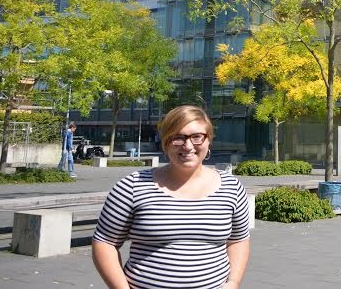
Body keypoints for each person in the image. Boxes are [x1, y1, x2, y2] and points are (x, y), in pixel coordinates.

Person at [92, 105, 251, 289]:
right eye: (178, 138)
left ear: (209, 141)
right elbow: (104, 242)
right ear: (166, 142)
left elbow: (238, 240)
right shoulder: (132, 186)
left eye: (197, 136)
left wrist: (233, 282)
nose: (188, 146)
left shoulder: (232, 187)